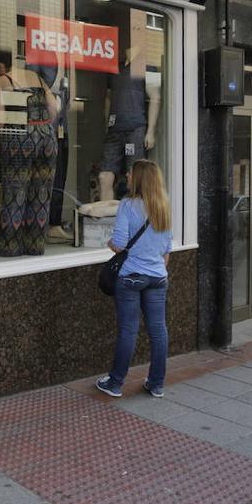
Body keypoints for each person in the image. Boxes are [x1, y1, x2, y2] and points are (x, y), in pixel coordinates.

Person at [96, 159, 174, 398]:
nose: (127, 176)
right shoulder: (163, 205)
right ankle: (157, 384)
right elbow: (166, 249)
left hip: (131, 276)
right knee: (158, 331)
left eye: (131, 174)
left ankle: (116, 383)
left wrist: (110, 243)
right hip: (158, 277)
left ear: (139, 179)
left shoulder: (128, 205)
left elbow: (119, 243)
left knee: (128, 331)